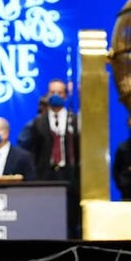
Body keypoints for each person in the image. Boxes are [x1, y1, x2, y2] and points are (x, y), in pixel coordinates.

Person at [20, 78, 81, 237]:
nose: (56, 95)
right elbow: (25, 145)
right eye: (52, 92)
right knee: (45, 218)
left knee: (70, 219)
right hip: (45, 175)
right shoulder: (37, 122)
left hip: (69, 175)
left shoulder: (75, 120)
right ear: (47, 95)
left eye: (60, 92)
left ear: (66, 96)